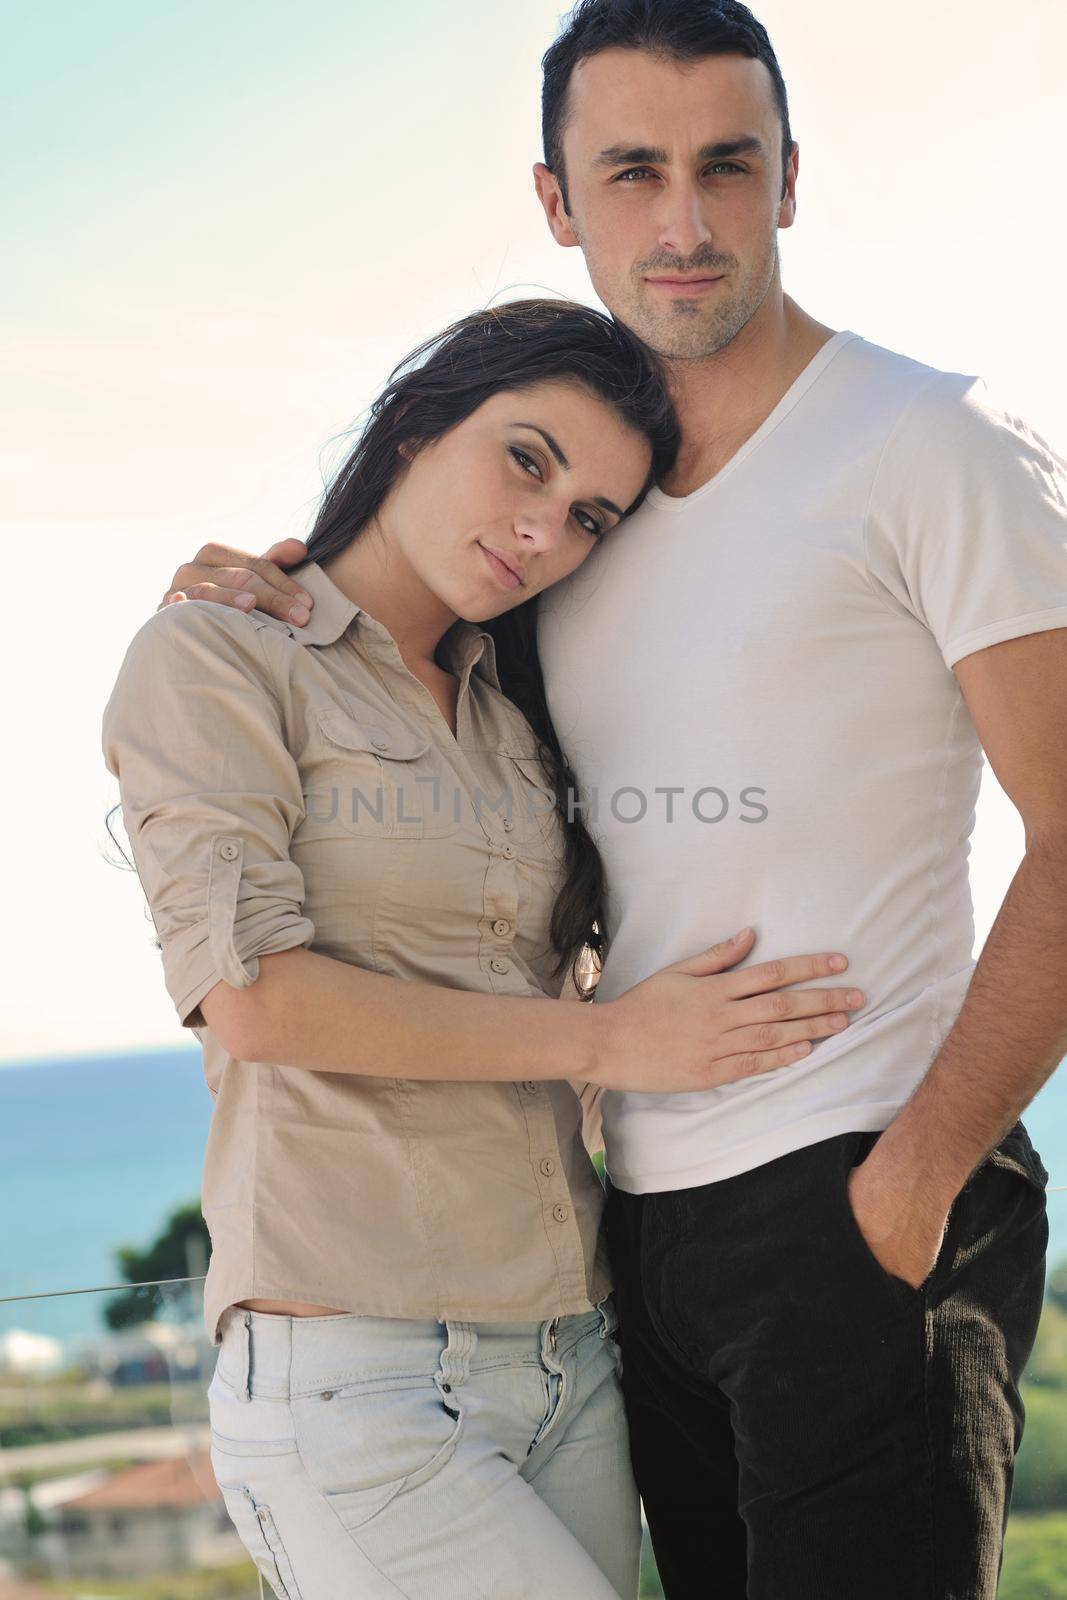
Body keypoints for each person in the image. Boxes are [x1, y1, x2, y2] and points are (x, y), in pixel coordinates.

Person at [162, 4, 1067, 1596]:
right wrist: (263, 583)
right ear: (557, 201)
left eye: (729, 165)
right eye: (633, 172)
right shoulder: (582, 520)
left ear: (790, 179)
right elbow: (414, 716)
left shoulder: (936, 443)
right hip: (626, 1244)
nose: (687, 221)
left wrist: (917, 1179)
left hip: (859, 1190)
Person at [103, 297, 866, 1599]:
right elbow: (254, 1001)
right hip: (360, 1381)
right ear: (414, 425)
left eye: (589, 518)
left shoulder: (519, 719)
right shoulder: (222, 653)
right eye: (527, 458)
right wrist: (614, 1041)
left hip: (573, 1359)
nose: (543, 527)